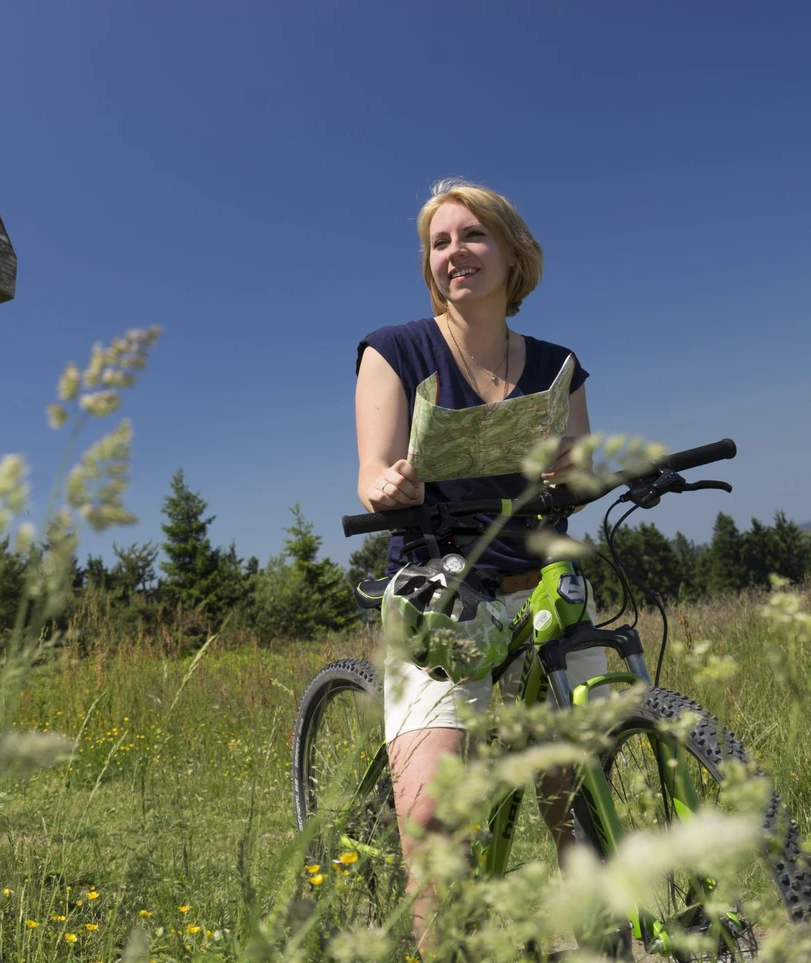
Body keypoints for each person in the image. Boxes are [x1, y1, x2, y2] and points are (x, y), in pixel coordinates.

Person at [353, 178, 601, 951]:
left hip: (543, 587)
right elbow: (372, 473)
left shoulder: (558, 366)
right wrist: (391, 482)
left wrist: (573, 470)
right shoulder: (396, 350)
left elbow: (582, 481)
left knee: (579, 797)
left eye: (472, 235)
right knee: (435, 821)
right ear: (430, 266)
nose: (455, 252)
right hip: (441, 592)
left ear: (510, 250)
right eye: (440, 242)